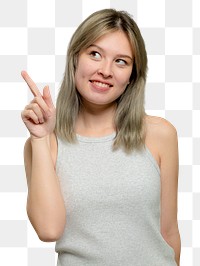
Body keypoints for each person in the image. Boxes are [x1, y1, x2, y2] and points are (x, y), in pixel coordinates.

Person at [21, 8, 181, 266]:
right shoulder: (44, 143)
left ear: (131, 76)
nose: (105, 70)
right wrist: (40, 138)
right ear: (75, 58)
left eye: (121, 61)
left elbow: (169, 231)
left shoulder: (160, 134)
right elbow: (48, 229)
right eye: (95, 54)